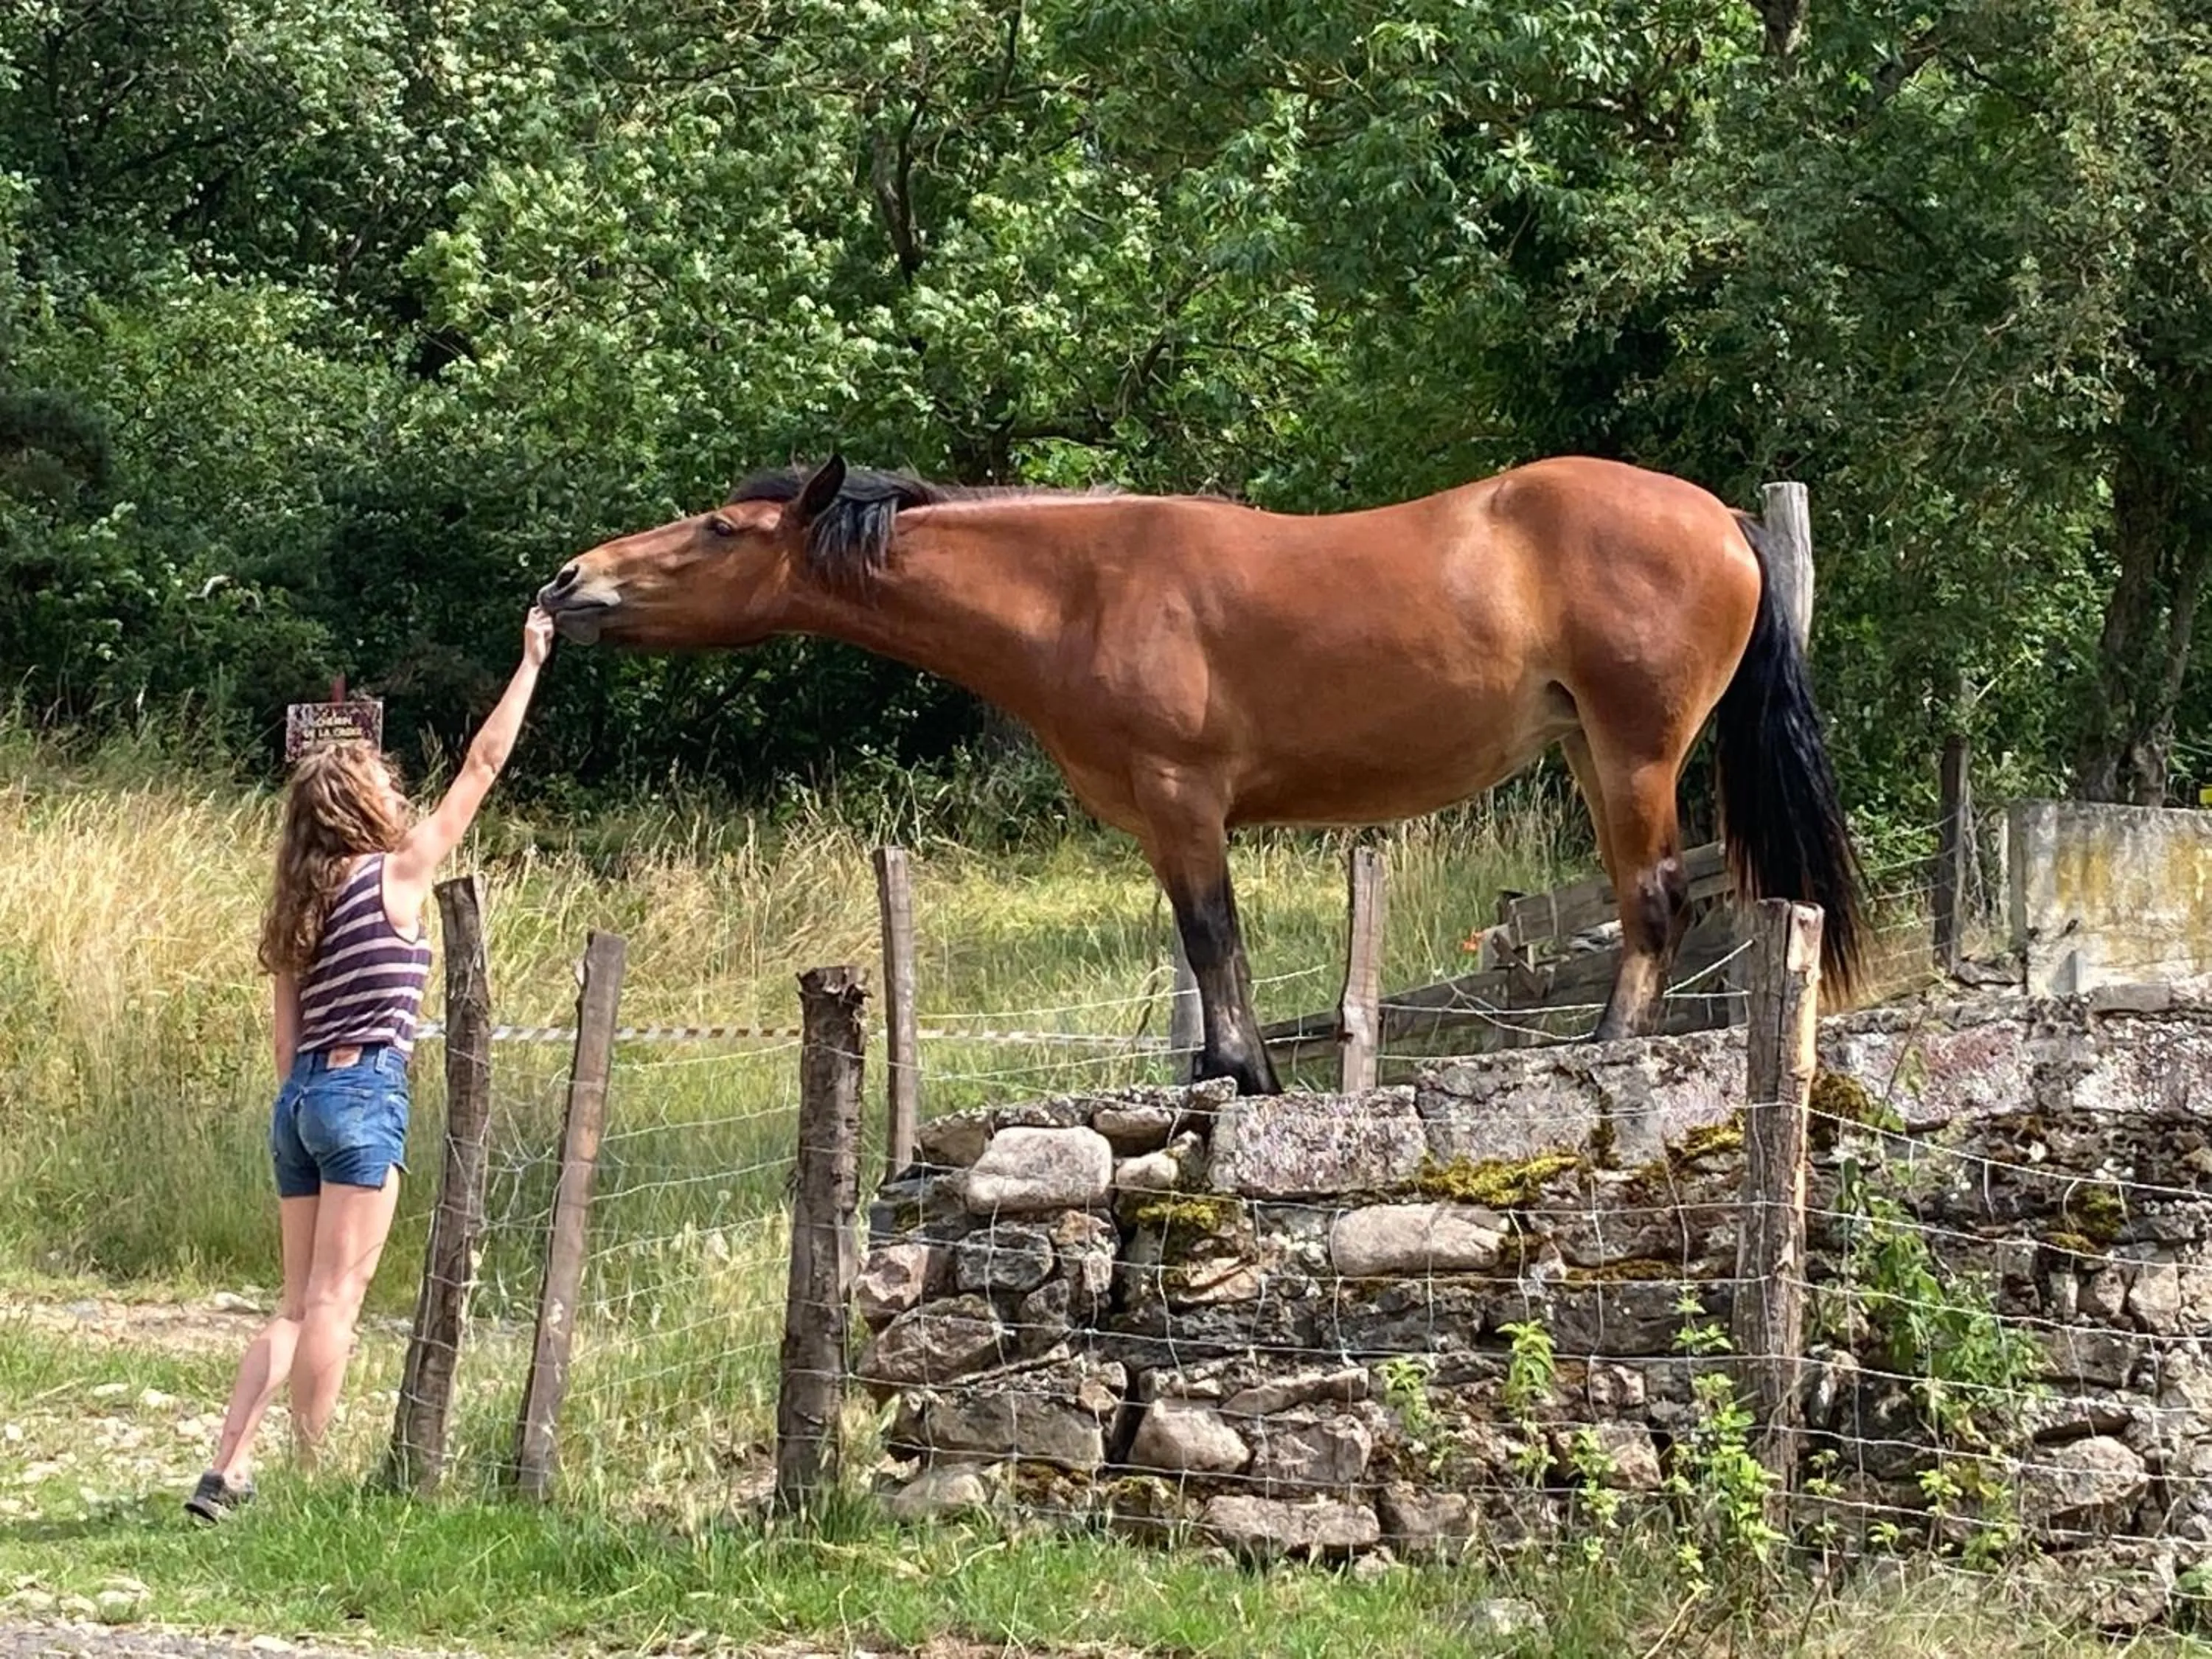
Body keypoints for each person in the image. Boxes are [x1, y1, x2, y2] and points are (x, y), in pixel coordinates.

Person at [186, 608, 555, 1523]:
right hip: (363, 1088)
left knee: (292, 1301)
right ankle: (309, 1482)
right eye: (384, 786)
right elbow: (483, 767)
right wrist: (530, 663)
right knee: (336, 1303)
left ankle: (225, 1468)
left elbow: (282, 1045)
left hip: (301, 1096)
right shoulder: (395, 875)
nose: (397, 796)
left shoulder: (293, 913)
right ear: (363, 805)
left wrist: (309, 1093)